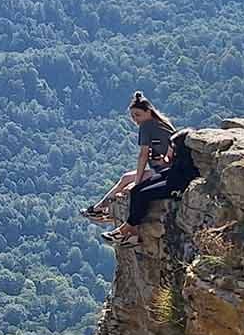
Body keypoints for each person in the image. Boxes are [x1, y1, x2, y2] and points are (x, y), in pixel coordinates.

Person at [84, 92, 174, 221]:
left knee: (127, 183)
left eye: (137, 115)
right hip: (167, 167)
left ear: (148, 111)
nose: (135, 119)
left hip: (162, 170)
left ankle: (100, 209)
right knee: (126, 178)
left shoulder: (146, 126)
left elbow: (143, 155)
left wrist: (137, 182)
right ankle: (100, 208)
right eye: (132, 116)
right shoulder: (163, 123)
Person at [110, 128, 199, 240]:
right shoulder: (180, 148)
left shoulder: (190, 158)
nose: (172, 148)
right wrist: (162, 159)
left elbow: (183, 173)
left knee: (143, 194)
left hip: (178, 182)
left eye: (174, 147)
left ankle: (127, 228)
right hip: (172, 173)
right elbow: (169, 160)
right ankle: (133, 230)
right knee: (136, 189)